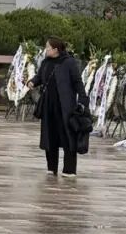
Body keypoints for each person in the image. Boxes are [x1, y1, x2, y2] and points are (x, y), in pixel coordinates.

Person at [27, 37, 89, 178]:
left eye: (48, 47)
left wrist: (83, 99)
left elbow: (77, 82)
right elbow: (40, 77)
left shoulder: (69, 62)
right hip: (48, 105)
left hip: (65, 106)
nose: (46, 50)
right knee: (49, 137)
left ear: (55, 49)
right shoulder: (46, 62)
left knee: (67, 137)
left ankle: (69, 170)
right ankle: (51, 167)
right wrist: (32, 82)